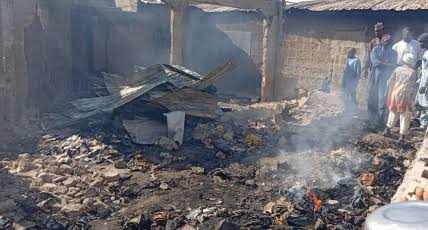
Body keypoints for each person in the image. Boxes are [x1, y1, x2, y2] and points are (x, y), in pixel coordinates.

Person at [383, 54, 418, 142]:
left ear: (403, 61)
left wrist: (389, 93)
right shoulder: (413, 72)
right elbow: (413, 86)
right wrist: (413, 98)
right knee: (405, 115)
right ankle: (402, 137)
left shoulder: (397, 69)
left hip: (395, 93)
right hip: (406, 96)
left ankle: (387, 130)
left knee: (393, 112)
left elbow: (390, 81)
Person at [368, 34, 397, 126]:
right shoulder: (376, 49)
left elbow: (393, 65)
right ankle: (370, 117)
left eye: (389, 42)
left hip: (385, 79)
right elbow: (374, 61)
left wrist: (382, 64)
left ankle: (379, 120)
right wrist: (386, 64)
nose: (386, 43)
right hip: (374, 77)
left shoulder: (394, 53)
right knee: (372, 96)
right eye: (385, 41)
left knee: (382, 98)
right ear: (382, 41)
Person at [416, 33, 428, 129]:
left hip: (426, 84)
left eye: (421, 42)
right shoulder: (425, 52)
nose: (420, 44)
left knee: (427, 104)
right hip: (424, 82)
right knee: (423, 103)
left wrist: (424, 85)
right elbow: (424, 70)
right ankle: (423, 123)